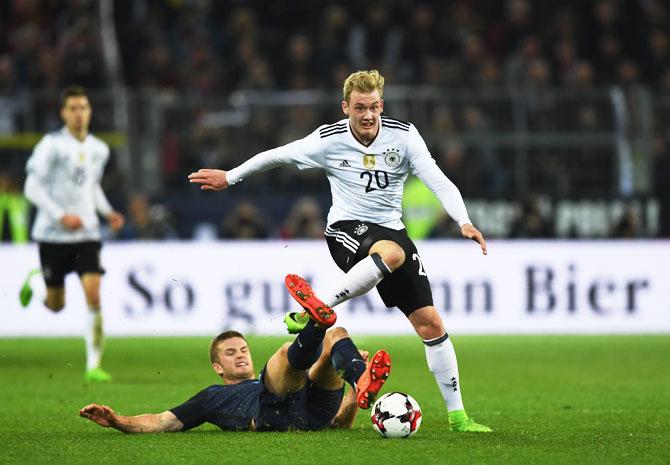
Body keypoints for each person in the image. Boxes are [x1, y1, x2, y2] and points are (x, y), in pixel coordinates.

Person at [188, 69, 491, 432]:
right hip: (346, 231)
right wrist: (230, 177)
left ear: (382, 105)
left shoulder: (404, 136)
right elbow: (277, 155)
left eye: (374, 107)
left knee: (431, 323)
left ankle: (459, 417)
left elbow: (438, 180)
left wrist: (463, 220)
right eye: (360, 107)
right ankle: (318, 308)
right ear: (345, 107)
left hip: (391, 230)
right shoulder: (328, 139)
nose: (368, 115)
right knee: (392, 252)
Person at [79, 279, 391, 433]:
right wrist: (118, 421)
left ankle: (357, 376)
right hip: (273, 416)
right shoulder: (212, 397)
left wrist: (352, 397)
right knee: (286, 356)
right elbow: (162, 421)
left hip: (311, 413)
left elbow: (339, 426)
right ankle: (314, 327)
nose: (240, 356)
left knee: (336, 336)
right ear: (217, 366)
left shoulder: (261, 379)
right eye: (231, 353)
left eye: (243, 350)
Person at [20, 85, 125, 382]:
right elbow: (31, 188)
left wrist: (107, 212)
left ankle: (93, 365)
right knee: (56, 305)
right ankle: (37, 282)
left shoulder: (99, 149)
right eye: (73, 109)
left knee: (93, 293)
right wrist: (60, 216)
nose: (79, 114)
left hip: (87, 234)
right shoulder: (50, 146)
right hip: (52, 234)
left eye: (84, 108)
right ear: (63, 113)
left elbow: (90, 186)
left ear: (90, 111)